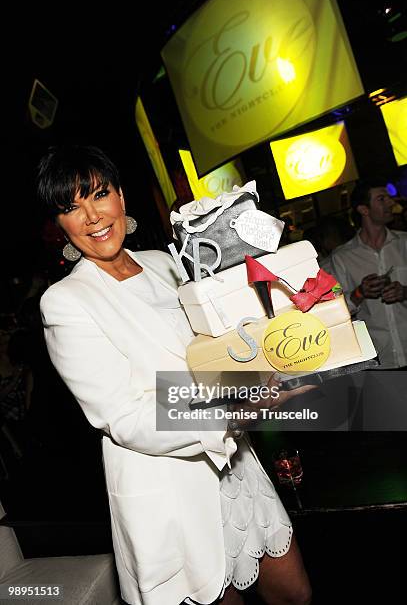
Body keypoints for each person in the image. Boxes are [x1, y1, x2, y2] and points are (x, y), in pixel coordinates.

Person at [37, 145, 313, 605]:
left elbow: (213, 349)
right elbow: (124, 415)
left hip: (236, 464)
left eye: (99, 195)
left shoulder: (165, 263)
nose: (91, 217)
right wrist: (230, 410)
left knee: (295, 593)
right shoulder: (65, 302)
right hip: (173, 486)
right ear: (60, 224)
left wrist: (263, 368)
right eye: (71, 207)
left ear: (121, 197)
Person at [329, 177, 407, 369]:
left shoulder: (405, 243)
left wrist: (404, 292)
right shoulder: (343, 257)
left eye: (389, 198)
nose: (391, 203)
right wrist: (359, 293)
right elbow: (333, 310)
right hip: (379, 360)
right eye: (382, 199)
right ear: (364, 209)